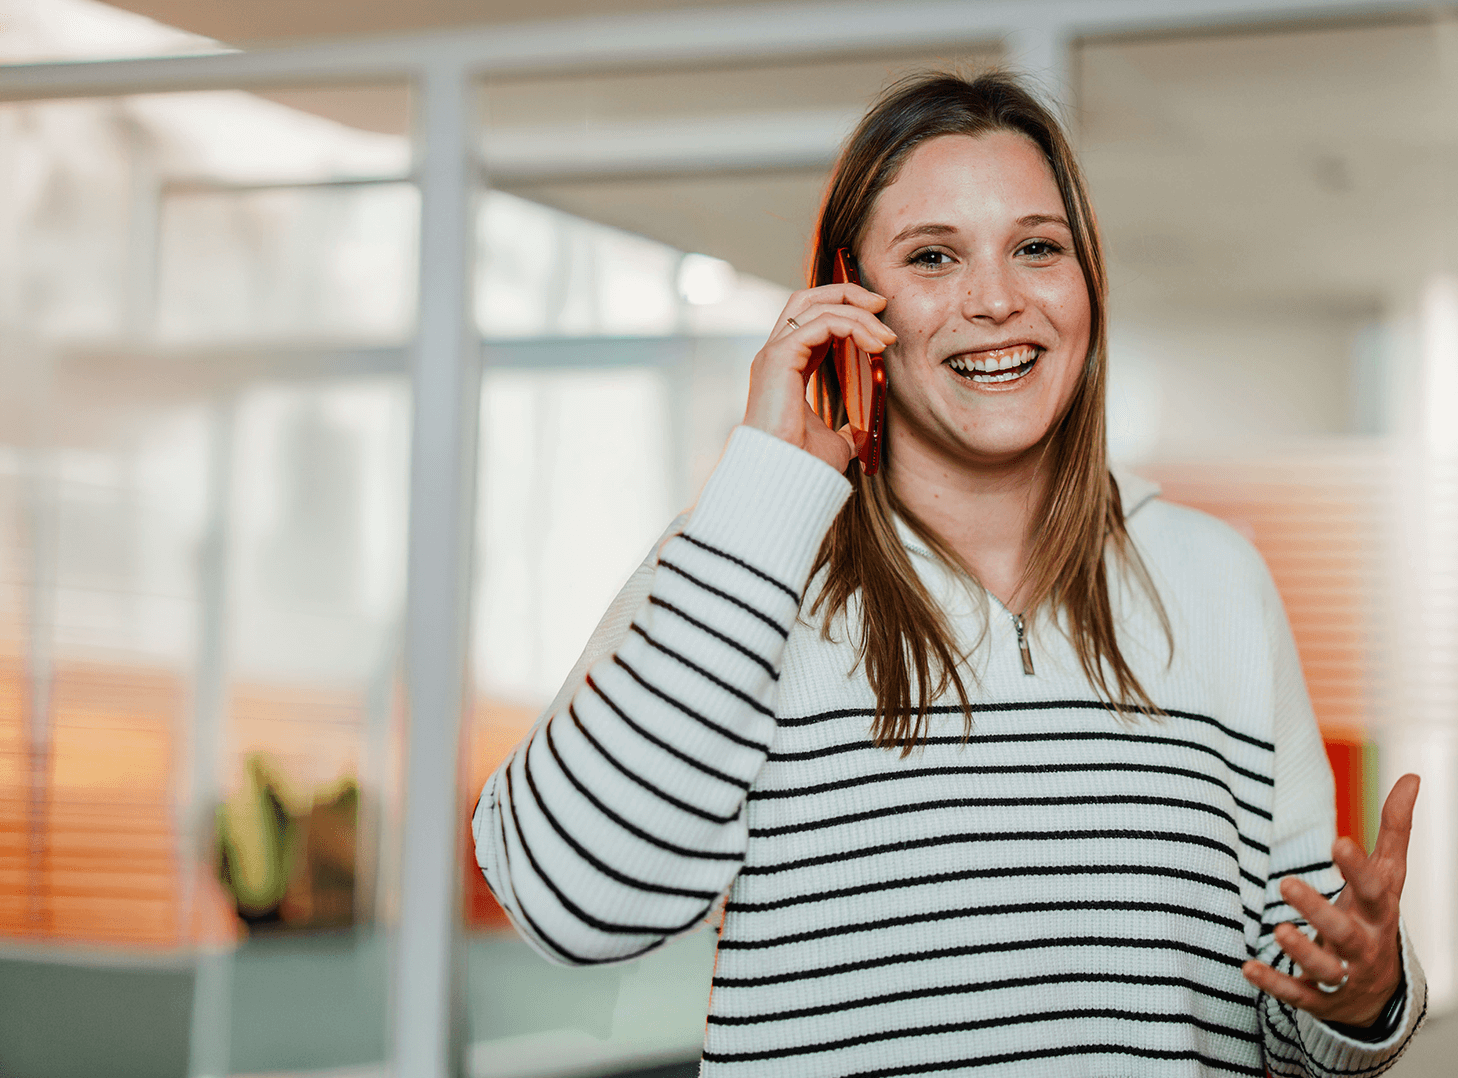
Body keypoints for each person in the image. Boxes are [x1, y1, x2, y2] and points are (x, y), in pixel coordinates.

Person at [473, 71, 1426, 1076]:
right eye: (933, 256)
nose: (995, 300)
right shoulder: (742, 557)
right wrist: (760, 487)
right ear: (849, 298)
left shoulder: (1215, 580)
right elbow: (571, 904)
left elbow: (1282, 1003)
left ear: (1086, 282)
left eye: (1035, 248)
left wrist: (1357, 994)